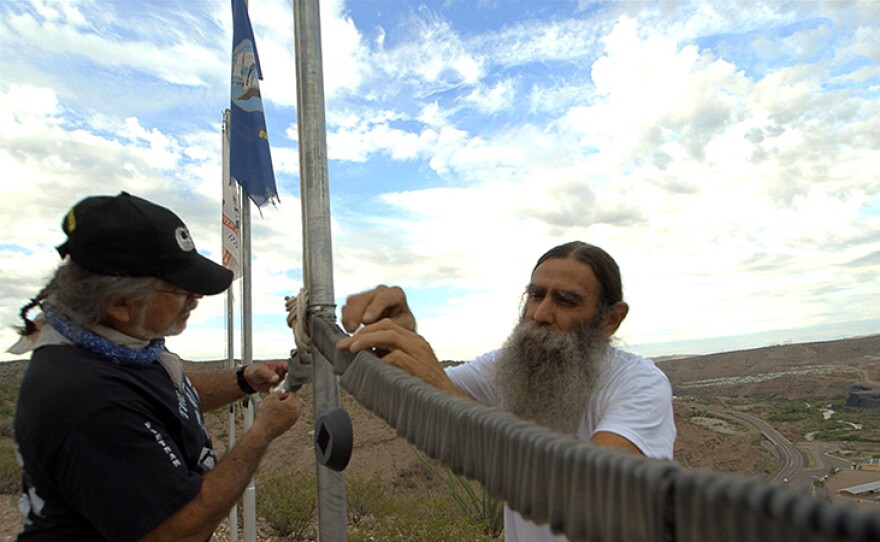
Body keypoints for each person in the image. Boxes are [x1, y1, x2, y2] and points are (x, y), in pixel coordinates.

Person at [337, 241, 675, 542]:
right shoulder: (510, 367)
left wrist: (437, 384)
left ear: (610, 320)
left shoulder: (640, 383)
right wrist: (397, 342)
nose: (540, 314)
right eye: (536, 295)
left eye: (566, 301)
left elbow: (591, 492)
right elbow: (425, 393)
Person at [11, 192, 301, 542]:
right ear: (120, 303)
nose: (195, 300)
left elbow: (163, 392)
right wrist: (261, 433)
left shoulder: (112, 346)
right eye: (182, 291)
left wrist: (242, 380)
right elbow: (178, 532)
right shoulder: (89, 400)